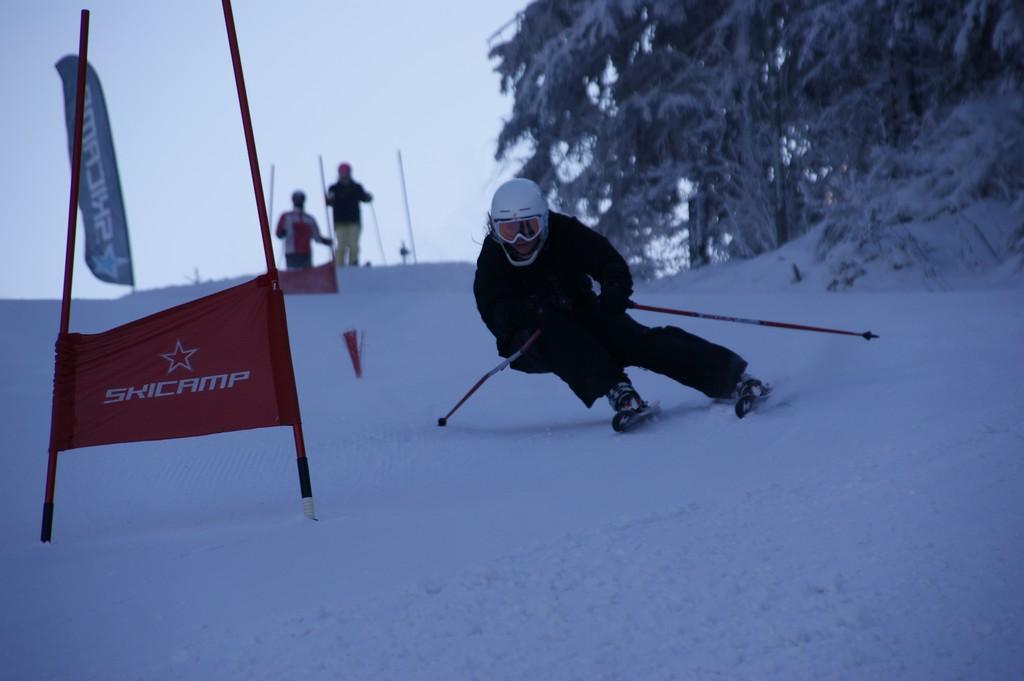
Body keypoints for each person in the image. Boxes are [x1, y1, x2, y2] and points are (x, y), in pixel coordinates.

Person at [473, 178, 766, 427]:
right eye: (510, 230)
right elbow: (492, 309)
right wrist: (531, 309)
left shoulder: (565, 232)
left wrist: (614, 289)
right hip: (531, 340)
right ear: (496, 229)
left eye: (529, 226)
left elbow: (607, 260)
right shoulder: (493, 257)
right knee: (556, 331)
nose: (521, 238)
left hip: (583, 314)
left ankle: (733, 379)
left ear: (545, 220)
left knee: (642, 341)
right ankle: (618, 391)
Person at [326, 162, 373, 266]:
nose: (344, 175)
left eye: (345, 172)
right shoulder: (334, 188)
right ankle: (339, 266)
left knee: (354, 245)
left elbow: (364, 197)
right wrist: (329, 200)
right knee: (341, 245)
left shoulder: (356, 187)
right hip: (340, 222)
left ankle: (353, 264)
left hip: (354, 221)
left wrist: (368, 197)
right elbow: (329, 202)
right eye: (342, 173)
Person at [275, 190, 331, 269]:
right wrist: (281, 233)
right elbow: (278, 233)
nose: (298, 201)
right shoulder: (286, 216)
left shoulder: (309, 219)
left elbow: (316, 237)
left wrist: (326, 241)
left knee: (306, 277)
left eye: (300, 199)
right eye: (296, 199)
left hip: (305, 253)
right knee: (293, 275)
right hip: (292, 253)